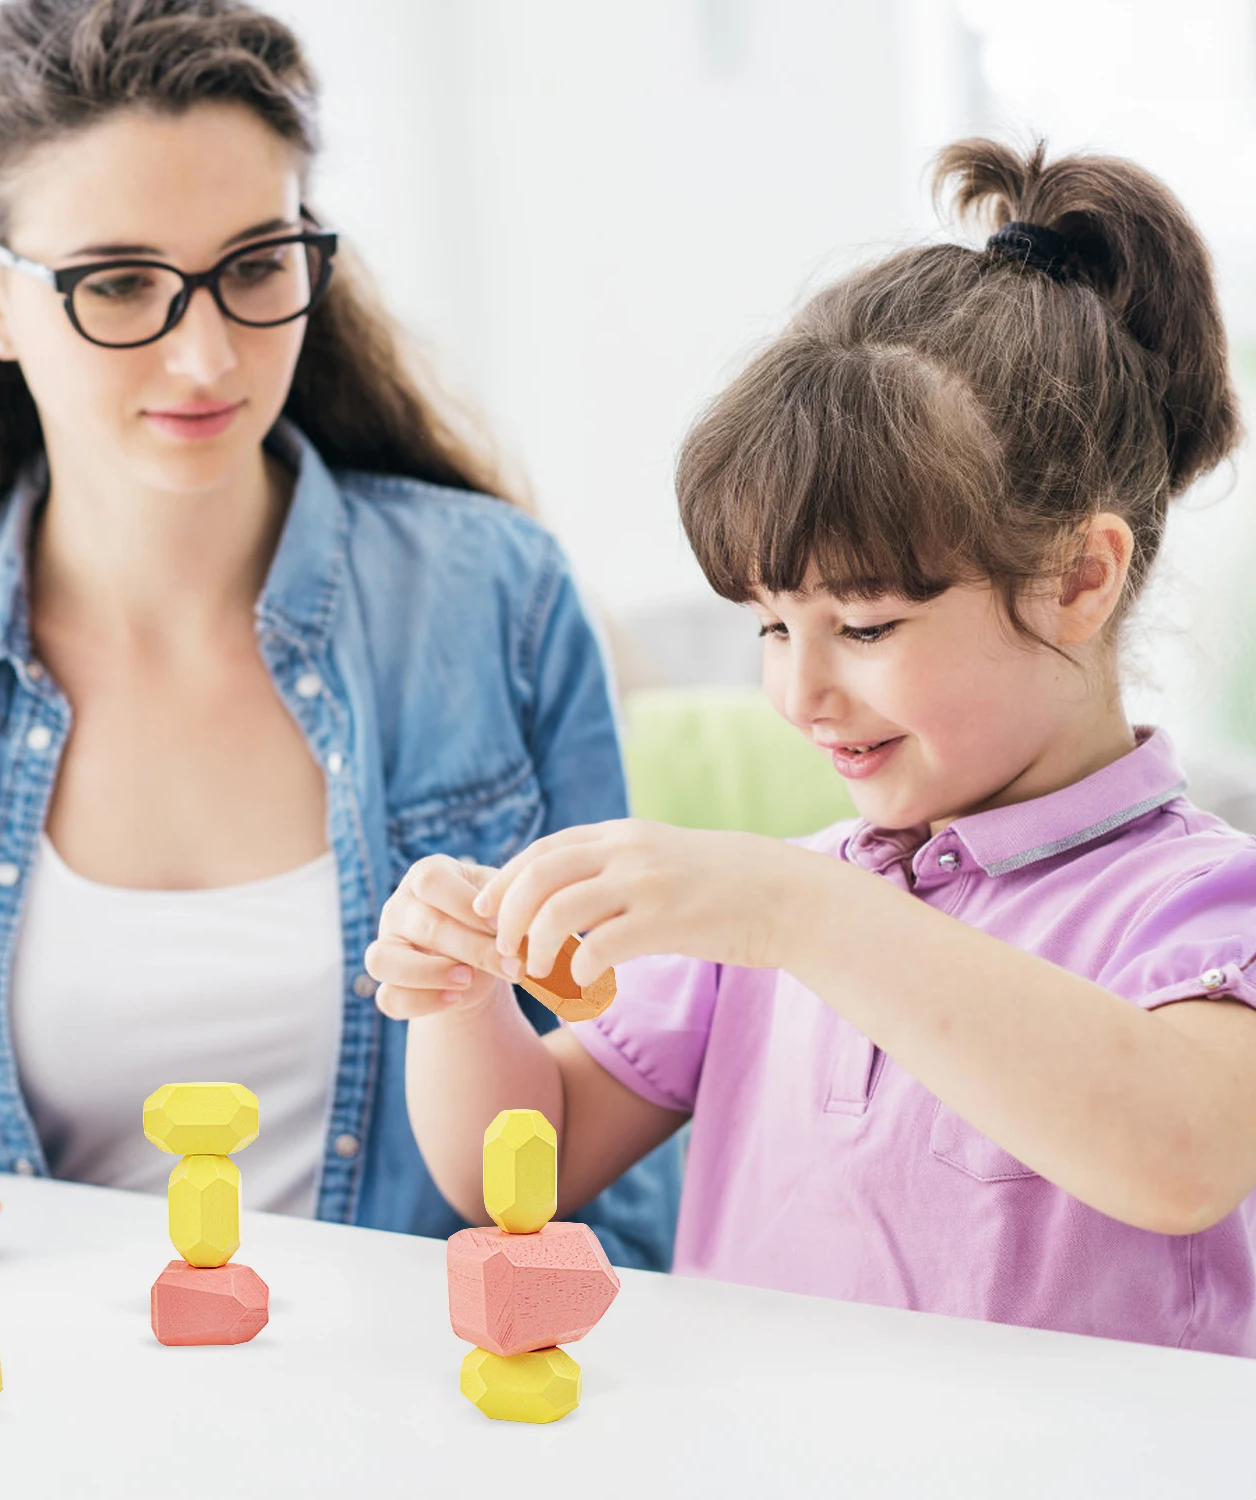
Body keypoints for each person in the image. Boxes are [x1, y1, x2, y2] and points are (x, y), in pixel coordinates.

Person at [0, 0, 678, 1280]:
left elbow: (633, 1113)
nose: (206, 355)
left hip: (431, 1415)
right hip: (23, 1420)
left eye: (256, 265)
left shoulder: (494, 599)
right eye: (119, 283)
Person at [370, 139, 1256, 1355]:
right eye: (773, 626)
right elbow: (520, 1161)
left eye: (869, 624)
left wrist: (802, 915)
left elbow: (1183, 1155)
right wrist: (462, 1004)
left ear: (1078, 579)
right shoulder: (776, 910)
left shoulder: (1200, 906)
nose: (802, 688)